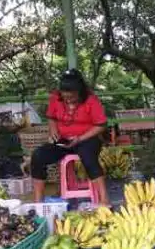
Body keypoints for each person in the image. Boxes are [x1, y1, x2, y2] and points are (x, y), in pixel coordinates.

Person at [31, 69, 110, 205]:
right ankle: (38, 201)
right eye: (65, 97)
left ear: (80, 92)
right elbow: (51, 117)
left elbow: (101, 125)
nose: (68, 100)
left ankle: (104, 199)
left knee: (88, 157)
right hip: (64, 140)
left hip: (87, 139)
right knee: (38, 156)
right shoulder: (56, 98)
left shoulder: (91, 100)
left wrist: (79, 138)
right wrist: (53, 131)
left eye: (72, 97)